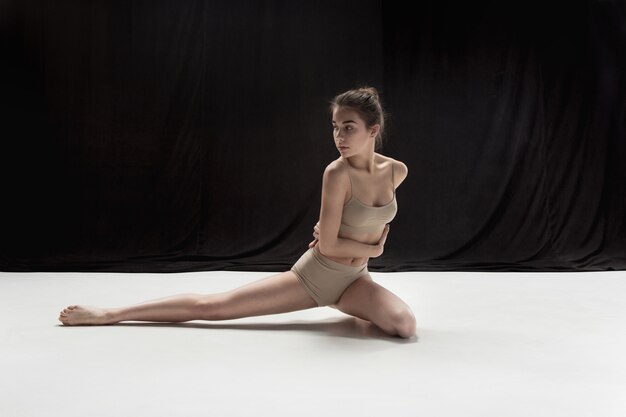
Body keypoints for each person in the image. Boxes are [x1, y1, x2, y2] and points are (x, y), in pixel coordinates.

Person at [59, 87, 417, 339]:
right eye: (335, 127)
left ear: (374, 129)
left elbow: (352, 229)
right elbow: (327, 248)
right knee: (213, 308)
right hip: (316, 277)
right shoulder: (336, 173)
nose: (339, 136)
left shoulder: (396, 171)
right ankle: (110, 314)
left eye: (349, 127)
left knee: (404, 326)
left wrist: (347, 246)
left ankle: (345, 305)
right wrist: (374, 250)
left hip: (355, 281)